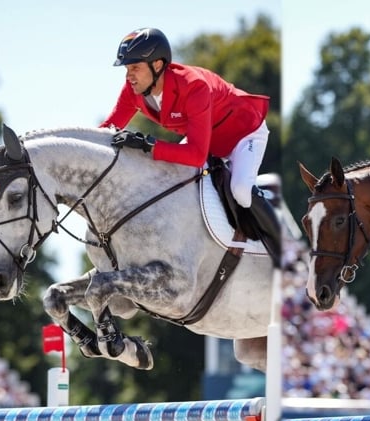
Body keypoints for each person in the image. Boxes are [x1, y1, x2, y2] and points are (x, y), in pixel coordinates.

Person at [100, 27, 281, 267]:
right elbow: (108, 129)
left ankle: (285, 251)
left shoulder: (194, 86)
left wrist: (149, 145)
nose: (129, 76)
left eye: (135, 67)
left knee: (240, 190)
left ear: (157, 65)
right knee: (166, 182)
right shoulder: (134, 91)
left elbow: (196, 155)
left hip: (244, 134)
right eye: (126, 69)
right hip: (207, 140)